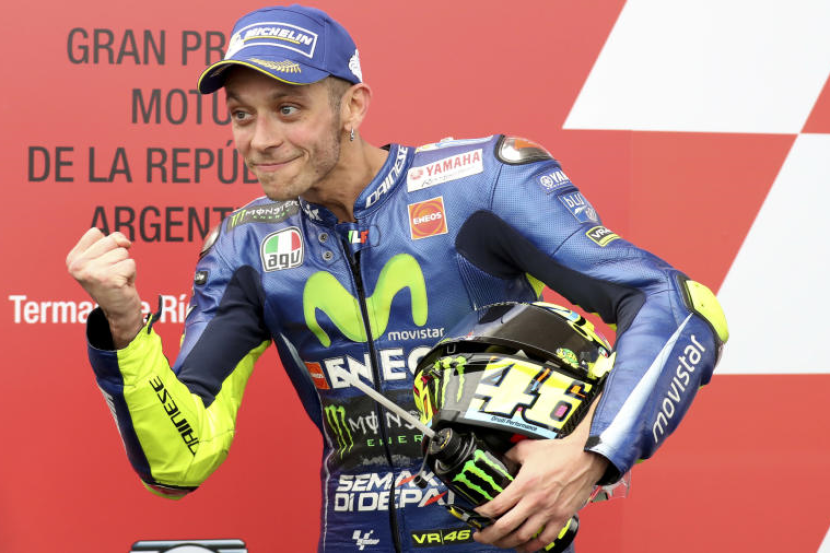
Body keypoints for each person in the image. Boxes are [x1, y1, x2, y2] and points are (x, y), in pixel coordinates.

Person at [66, 5, 728, 553]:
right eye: (242, 114)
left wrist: (591, 454)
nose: (260, 139)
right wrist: (123, 328)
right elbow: (179, 461)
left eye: (288, 109)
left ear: (352, 106)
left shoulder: (481, 183)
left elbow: (680, 304)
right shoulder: (247, 244)